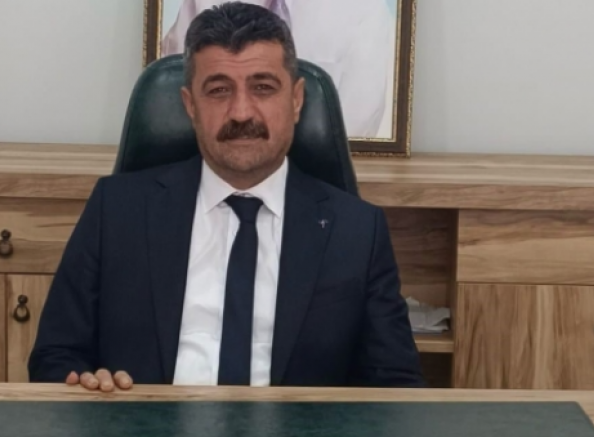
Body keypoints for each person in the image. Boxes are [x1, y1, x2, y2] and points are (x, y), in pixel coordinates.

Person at [28, 1, 424, 391]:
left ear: (297, 100)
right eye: (218, 90)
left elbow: (397, 387)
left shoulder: (357, 230)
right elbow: (55, 357)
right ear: (190, 105)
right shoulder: (116, 211)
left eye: (263, 88)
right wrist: (86, 384)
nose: (241, 113)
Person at [161, 0, 395, 139]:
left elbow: (355, 127)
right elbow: (171, 99)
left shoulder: (362, 8)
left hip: (311, 181)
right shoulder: (202, 3)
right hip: (215, 169)